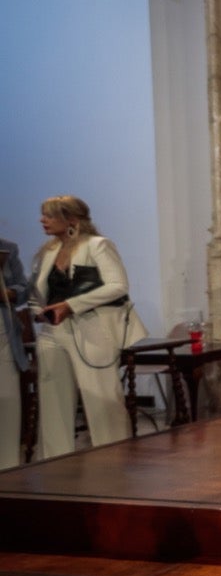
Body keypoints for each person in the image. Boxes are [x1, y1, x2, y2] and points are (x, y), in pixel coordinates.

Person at [29, 196, 148, 458]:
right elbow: (38, 291)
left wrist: (71, 305)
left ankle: (113, 461)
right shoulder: (48, 251)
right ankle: (56, 465)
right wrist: (39, 312)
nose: (42, 220)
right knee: (53, 402)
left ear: (71, 219)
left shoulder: (98, 245)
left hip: (92, 330)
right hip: (53, 332)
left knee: (100, 398)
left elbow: (118, 286)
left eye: (49, 215)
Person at [0, 236, 26, 469]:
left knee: (7, 403)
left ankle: (8, 470)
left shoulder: (8, 247)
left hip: (4, 335)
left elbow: (23, 288)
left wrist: (8, 293)